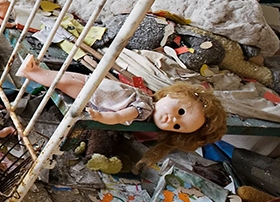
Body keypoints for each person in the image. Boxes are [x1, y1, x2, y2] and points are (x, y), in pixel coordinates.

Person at [16, 54, 227, 168]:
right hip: (96, 85)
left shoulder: (143, 110)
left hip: (95, 96)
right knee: (66, 77)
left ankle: (31, 72)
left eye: (177, 126)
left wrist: (101, 117)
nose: (172, 120)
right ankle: (36, 71)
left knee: (64, 82)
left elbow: (119, 116)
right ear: (173, 94)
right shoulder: (148, 98)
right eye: (180, 112)